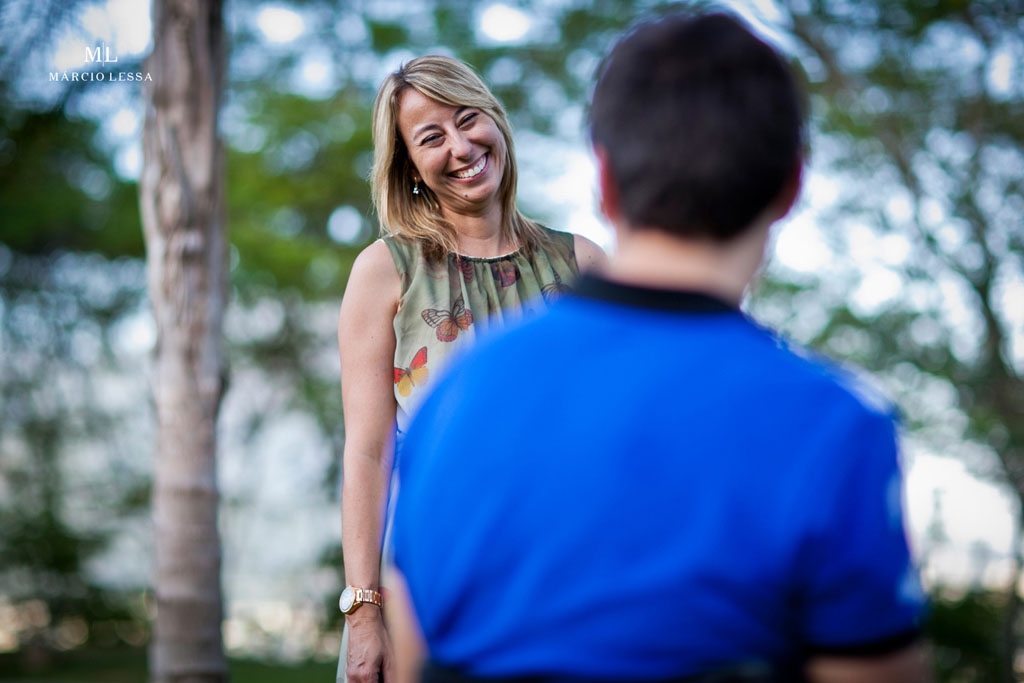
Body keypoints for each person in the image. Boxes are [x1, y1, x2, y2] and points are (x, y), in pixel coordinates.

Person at [387, 12, 929, 683]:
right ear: (791, 185)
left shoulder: (453, 397)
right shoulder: (838, 428)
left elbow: (413, 656)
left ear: (604, 182)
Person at [336, 55, 607, 683]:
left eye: (468, 119)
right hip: (435, 580)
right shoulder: (385, 272)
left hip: (573, 577)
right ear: (410, 168)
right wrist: (363, 610)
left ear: (496, 121)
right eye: (431, 138)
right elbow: (368, 454)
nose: (460, 147)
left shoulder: (585, 264)